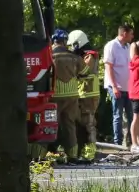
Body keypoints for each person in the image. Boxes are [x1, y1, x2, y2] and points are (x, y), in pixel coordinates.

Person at [50, 28, 83, 162]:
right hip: (72, 95)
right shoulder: (73, 56)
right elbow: (85, 71)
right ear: (64, 41)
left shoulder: (50, 55)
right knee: (69, 124)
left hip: (54, 95)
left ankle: (50, 153)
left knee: (52, 124)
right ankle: (72, 155)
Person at [67, 29, 100, 161]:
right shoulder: (83, 55)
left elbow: (82, 71)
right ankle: (81, 151)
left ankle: (89, 153)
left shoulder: (89, 56)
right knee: (80, 124)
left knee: (88, 123)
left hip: (89, 94)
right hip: (83, 93)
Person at [102, 24, 134, 146]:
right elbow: (108, 66)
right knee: (118, 115)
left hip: (128, 88)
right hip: (116, 87)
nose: (132, 36)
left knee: (131, 115)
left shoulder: (129, 47)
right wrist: (114, 86)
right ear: (124, 34)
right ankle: (118, 143)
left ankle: (131, 142)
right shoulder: (111, 46)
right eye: (131, 33)